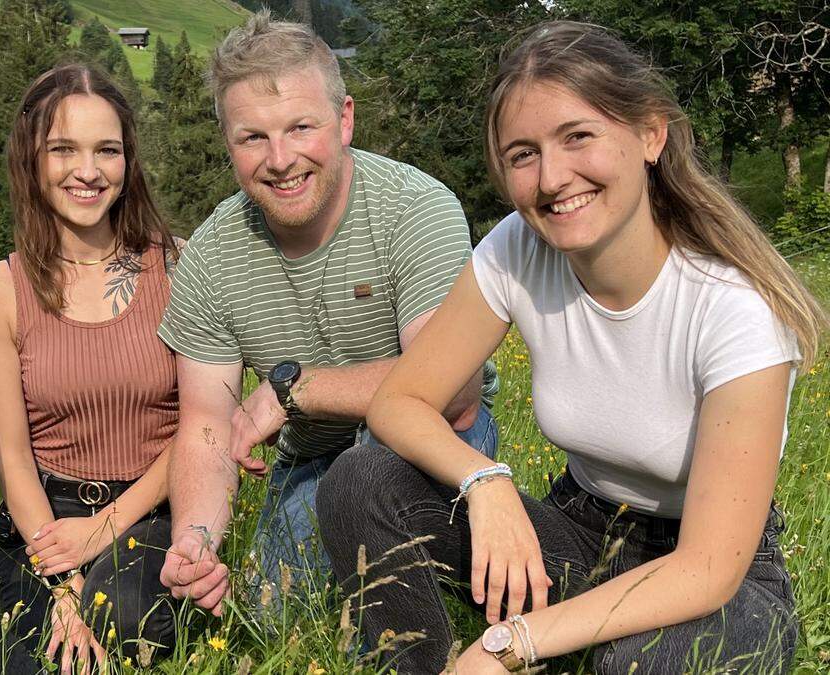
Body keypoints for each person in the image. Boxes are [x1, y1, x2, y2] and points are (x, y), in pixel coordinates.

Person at [317, 21, 827, 674]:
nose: (553, 178)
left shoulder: (733, 306)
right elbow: (399, 401)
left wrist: (512, 642)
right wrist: (485, 479)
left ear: (650, 133)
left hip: (723, 581)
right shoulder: (516, 247)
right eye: (523, 154)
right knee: (361, 482)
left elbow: (707, 568)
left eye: (577, 137)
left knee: (638, 660)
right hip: (577, 532)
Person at [156, 10, 499, 616]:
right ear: (229, 144)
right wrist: (197, 539)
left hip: (433, 438)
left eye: (300, 128)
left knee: (374, 496)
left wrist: (295, 390)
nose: (280, 159)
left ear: (344, 120)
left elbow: (453, 393)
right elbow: (207, 424)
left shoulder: (414, 208)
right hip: (310, 458)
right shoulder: (211, 254)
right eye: (253, 138)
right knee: (271, 615)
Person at [0, 64, 182, 674]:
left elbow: (202, 425)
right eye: (63, 149)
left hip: (149, 511)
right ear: (31, 159)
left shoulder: (176, 269)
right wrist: (63, 589)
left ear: (128, 161)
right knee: (30, 662)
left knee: (124, 615)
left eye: (106, 151)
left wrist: (105, 529)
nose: (87, 172)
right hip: (44, 520)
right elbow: (12, 457)